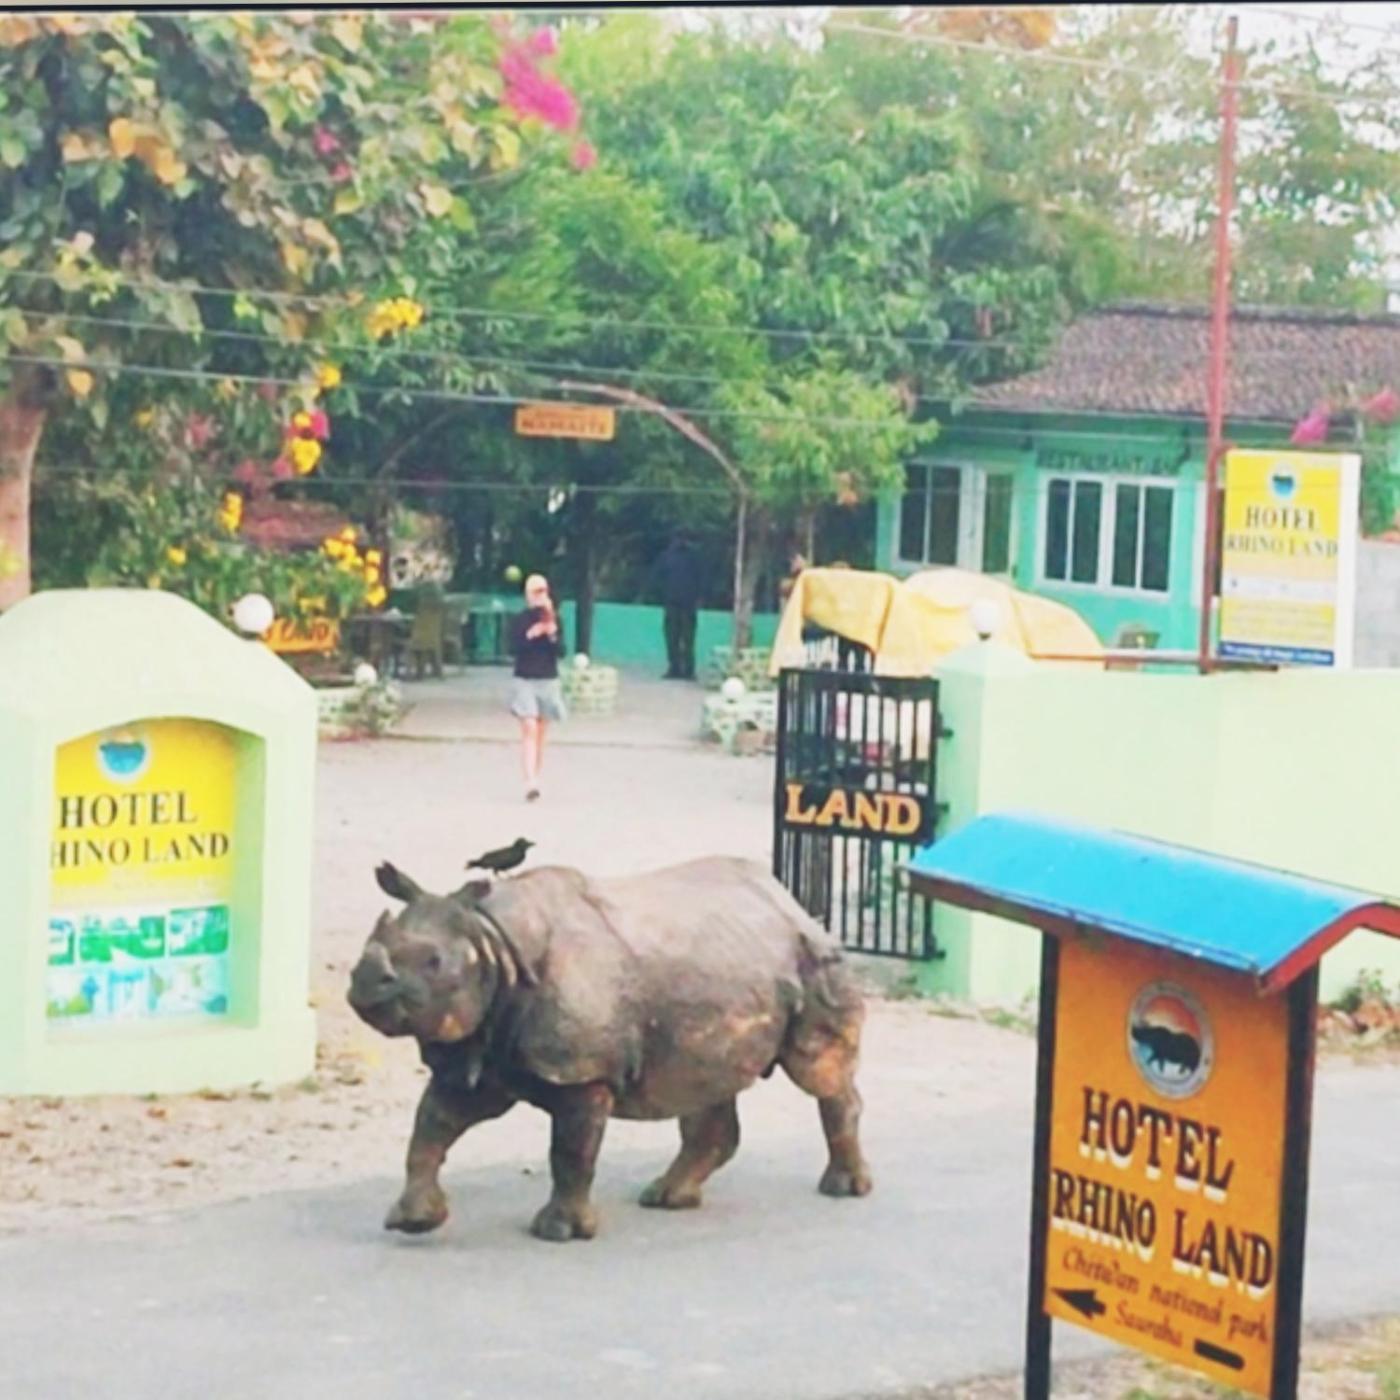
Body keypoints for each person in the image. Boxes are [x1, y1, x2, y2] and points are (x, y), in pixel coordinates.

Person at [508, 573, 566, 803]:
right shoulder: (520, 620)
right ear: (528, 595)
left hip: (548, 679)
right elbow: (512, 648)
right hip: (524, 679)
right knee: (529, 726)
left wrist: (552, 634)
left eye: (544, 591)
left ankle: (534, 778)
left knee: (541, 733)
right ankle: (529, 780)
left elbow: (562, 651)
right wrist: (531, 635)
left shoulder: (554, 619)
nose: (541, 596)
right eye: (536, 591)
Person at [652, 531, 701, 680]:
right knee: (680, 637)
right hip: (681, 603)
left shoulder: (669, 556)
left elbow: (657, 578)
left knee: (681, 637)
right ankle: (681, 669)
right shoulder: (691, 557)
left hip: (680, 603)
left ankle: (681, 669)